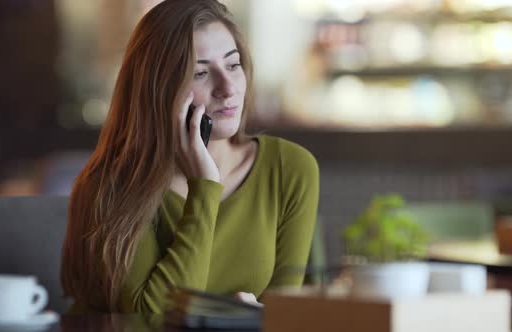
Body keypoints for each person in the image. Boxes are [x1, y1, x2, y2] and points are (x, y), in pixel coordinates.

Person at [61, 0, 319, 313]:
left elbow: (283, 315)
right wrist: (205, 187)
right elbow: (151, 319)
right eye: (200, 73)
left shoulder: (289, 168)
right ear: (157, 88)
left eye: (233, 65)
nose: (227, 88)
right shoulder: (111, 186)